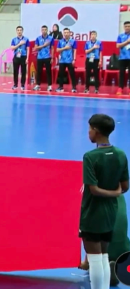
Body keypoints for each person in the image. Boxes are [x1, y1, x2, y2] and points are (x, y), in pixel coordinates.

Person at [80, 114, 129, 289]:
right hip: (111, 213)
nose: (88, 133)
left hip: (92, 213)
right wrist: (116, 193)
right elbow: (124, 186)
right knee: (103, 256)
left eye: (89, 129)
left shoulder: (90, 157)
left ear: (96, 131)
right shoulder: (121, 154)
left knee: (94, 258)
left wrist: (111, 193)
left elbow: (93, 189)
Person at [32, 25, 53, 92]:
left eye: (45, 30)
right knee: (39, 71)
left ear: (47, 30)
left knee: (48, 72)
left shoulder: (50, 38)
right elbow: (36, 48)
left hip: (47, 57)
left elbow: (52, 48)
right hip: (40, 57)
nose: (44, 31)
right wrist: (44, 45)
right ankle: (38, 85)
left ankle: (49, 86)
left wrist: (52, 57)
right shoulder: (38, 38)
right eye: (43, 30)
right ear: (41, 30)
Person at [56, 28, 77, 93]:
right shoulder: (60, 41)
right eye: (65, 32)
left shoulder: (73, 41)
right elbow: (57, 50)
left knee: (72, 74)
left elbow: (75, 50)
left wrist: (74, 59)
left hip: (70, 60)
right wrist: (65, 48)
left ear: (70, 33)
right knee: (61, 74)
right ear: (63, 33)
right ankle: (60, 87)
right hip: (62, 60)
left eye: (67, 32)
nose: (66, 34)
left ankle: (74, 87)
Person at [10, 26, 28, 90]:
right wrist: (19, 44)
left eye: (20, 30)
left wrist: (27, 58)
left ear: (22, 31)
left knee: (23, 71)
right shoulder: (14, 39)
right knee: (15, 71)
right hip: (16, 57)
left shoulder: (26, 39)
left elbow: (28, 49)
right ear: (16, 31)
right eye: (18, 30)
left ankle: (22, 85)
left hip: (23, 56)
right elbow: (12, 48)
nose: (19, 31)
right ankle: (15, 84)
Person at [115, 21, 130, 95]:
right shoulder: (120, 36)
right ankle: (120, 88)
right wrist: (127, 42)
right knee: (122, 73)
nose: (127, 27)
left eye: (129, 26)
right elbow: (117, 46)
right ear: (124, 27)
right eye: (126, 26)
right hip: (122, 58)